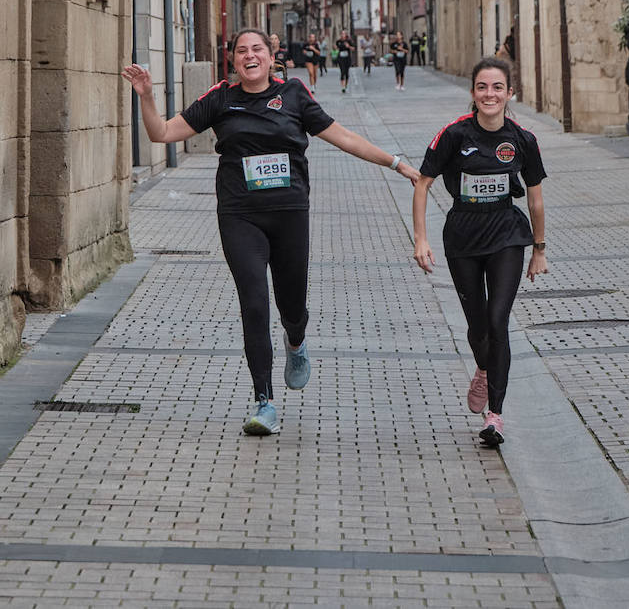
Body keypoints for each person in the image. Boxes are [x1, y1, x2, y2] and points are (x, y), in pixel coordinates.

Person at [123, 31, 421, 436]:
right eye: (242, 51)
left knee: (291, 303)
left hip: (289, 213)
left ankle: (295, 341)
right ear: (233, 60)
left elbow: (343, 136)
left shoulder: (294, 95)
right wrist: (145, 96)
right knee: (254, 302)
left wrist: (395, 163)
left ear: (271, 55)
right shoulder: (220, 98)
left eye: (257, 49)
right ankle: (264, 401)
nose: (250, 56)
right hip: (239, 215)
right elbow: (161, 133)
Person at [411, 56, 547, 447]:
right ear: (473, 92)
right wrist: (421, 238)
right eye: (483, 87)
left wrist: (539, 248)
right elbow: (423, 184)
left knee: (497, 319)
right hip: (463, 238)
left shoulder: (523, 139)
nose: (490, 94)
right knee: (477, 324)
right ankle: (484, 367)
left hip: (506, 233)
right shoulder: (454, 135)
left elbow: (535, 200)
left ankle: (495, 415)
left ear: (509, 93)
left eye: (498, 88)